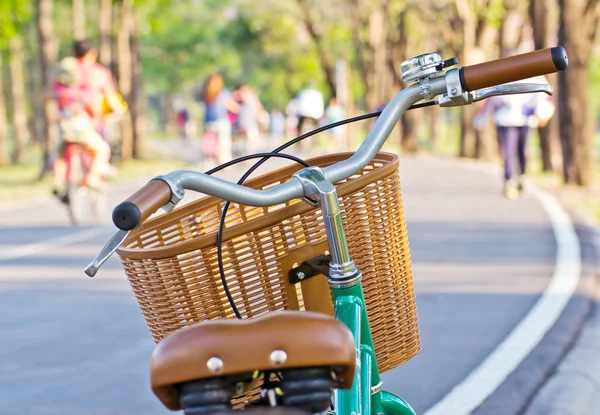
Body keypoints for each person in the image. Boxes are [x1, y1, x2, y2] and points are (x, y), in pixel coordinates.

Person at [474, 75, 554, 199]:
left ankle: (522, 177)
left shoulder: (535, 75)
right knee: (508, 151)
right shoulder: (502, 73)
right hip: (505, 121)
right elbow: (490, 97)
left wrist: (543, 113)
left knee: (523, 151)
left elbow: (545, 94)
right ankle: (509, 181)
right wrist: (480, 120)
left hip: (525, 121)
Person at [52, 57, 116, 195]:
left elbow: (53, 110)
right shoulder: (81, 91)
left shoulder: (58, 91)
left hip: (64, 131)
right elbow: (92, 109)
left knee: (59, 156)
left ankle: (57, 182)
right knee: (102, 149)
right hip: (82, 131)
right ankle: (92, 177)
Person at [201, 73, 238, 163]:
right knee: (224, 144)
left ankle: (211, 160)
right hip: (221, 121)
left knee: (212, 143)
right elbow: (232, 106)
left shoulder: (207, 93)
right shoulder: (223, 92)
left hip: (209, 123)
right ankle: (223, 163)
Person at [235, 83, 263, 153]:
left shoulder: (250, 97)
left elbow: (258, 107)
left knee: (251, 141)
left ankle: (248, 155)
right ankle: (245, 155)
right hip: (243, 123)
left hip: (250, 122)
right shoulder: (238, 98)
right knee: (244, 141)